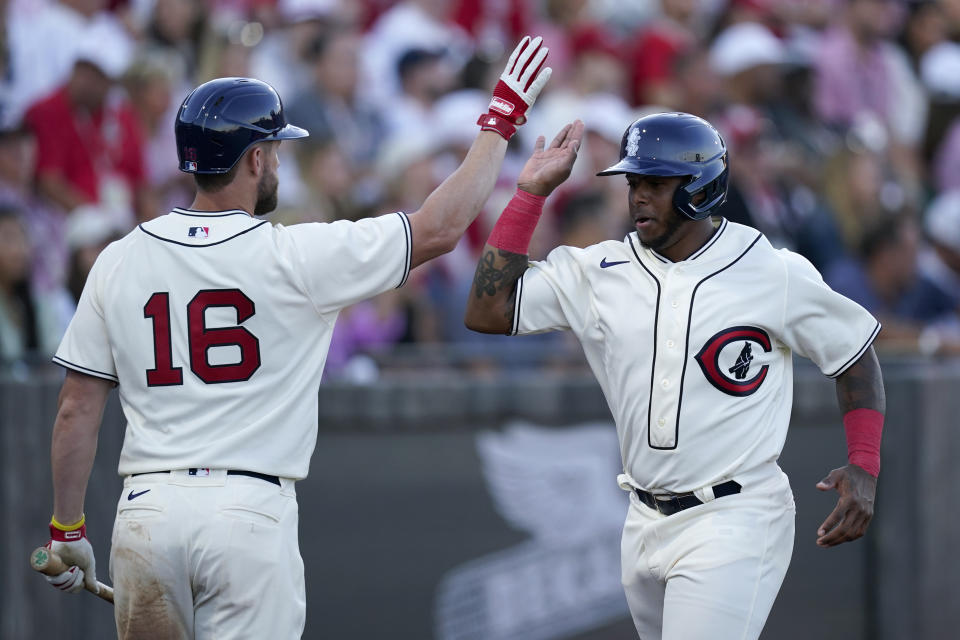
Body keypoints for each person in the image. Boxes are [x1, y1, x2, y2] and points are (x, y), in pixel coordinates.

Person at [39, 36, 553, 639]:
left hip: (147, 511)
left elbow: (76, 407)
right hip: (246, 513)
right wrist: (502, 117)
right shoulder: (295, 254)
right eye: (275, 150)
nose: (279, 162)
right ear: (254, 158)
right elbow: (440, 229)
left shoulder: (120, 257)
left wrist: (67, 529)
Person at [464, 111, 886, 639]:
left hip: (737, 512)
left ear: (701, 185)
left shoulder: (770, 269)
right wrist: (529, 194)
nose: (637, 195)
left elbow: (854, 354)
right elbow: (486, 311)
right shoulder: (600, 271)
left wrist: (864, 463)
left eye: (656, 183)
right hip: (642, 518)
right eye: (633, 182)